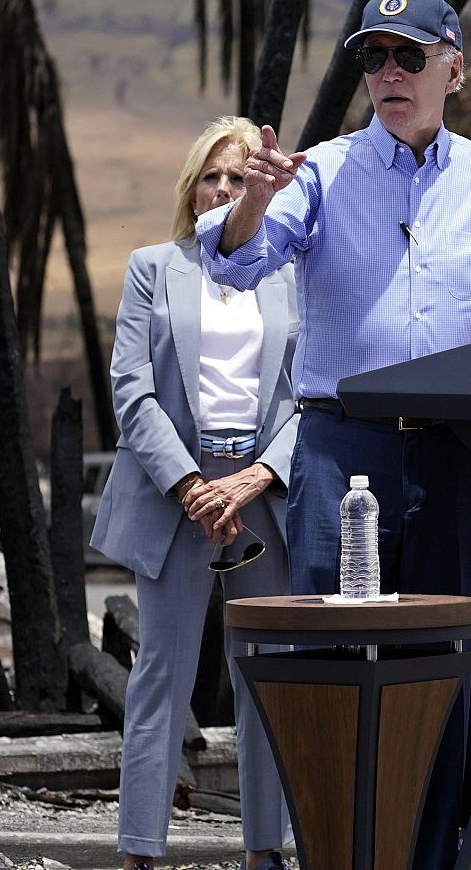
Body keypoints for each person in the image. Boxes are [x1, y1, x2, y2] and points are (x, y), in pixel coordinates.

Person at [191, 0, 471, 870]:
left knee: (443, 672)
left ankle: (430, 858)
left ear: (454, 70)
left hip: (457, 453)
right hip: (340, 448)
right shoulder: (317, 171)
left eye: (408, 56)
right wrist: (250, 198)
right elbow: (234, 260)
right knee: (328, 658)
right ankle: (332, 855)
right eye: (373, 58)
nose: (388, 74)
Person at [90, 116, 298, 870]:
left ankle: (264, 850)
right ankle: (140, 850)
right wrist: (190, 485)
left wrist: (256, 476)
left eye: (240, 177)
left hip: (262, 494)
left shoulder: (291, 273)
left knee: (266, 674)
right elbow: (133, 391)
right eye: (211, 175)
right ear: (191, 187)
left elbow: (310, 394)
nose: (223, 188)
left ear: (262, 190)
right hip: (173, 491)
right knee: (159, 677)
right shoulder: (154, 267)